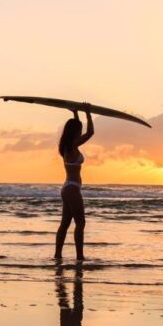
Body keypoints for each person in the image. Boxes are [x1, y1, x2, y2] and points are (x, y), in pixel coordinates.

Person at [55, 110, 93, 261]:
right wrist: (88, 113)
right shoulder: (71, 146)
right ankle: (80, 257)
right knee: (81, 223)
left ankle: (58, 255)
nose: (80, 132)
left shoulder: (66, 146)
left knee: (65, 224)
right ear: (74, 132)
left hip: (67, 187)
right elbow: (90, 132)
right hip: (72, 189)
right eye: (78, 129)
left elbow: (80, 130)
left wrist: (76, 113)